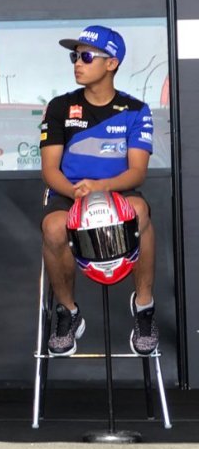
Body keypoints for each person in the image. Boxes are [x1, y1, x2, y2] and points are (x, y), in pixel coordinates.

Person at [40, 24, 158, 356]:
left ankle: (144, 307)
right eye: (74, 57)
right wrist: (76, 192)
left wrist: (101, 187)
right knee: (53, 227)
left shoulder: (136, 110)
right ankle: (68, 312)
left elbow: (137, 172)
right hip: (70, 193)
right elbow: (49, 170)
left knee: (139, 212)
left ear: (112, 63)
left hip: (117, 192)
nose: (78, 63)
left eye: (86, 57)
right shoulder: (60, 107)